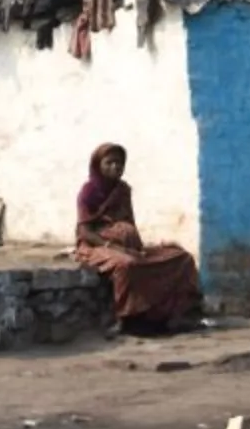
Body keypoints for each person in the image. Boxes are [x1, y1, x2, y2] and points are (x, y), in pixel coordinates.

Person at [73, 142, 203, 335]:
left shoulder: (123, 190)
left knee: (181, 258)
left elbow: (129, 223)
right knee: (127, 265)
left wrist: (140, 247)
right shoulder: (88, 192)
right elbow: (85, 232)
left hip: (127, 245)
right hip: (97, 246)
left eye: (119, 163)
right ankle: (127, 318)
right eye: (109, 162)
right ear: (98, 165)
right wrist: (113, 246)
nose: (115, 167)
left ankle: (176, 313)